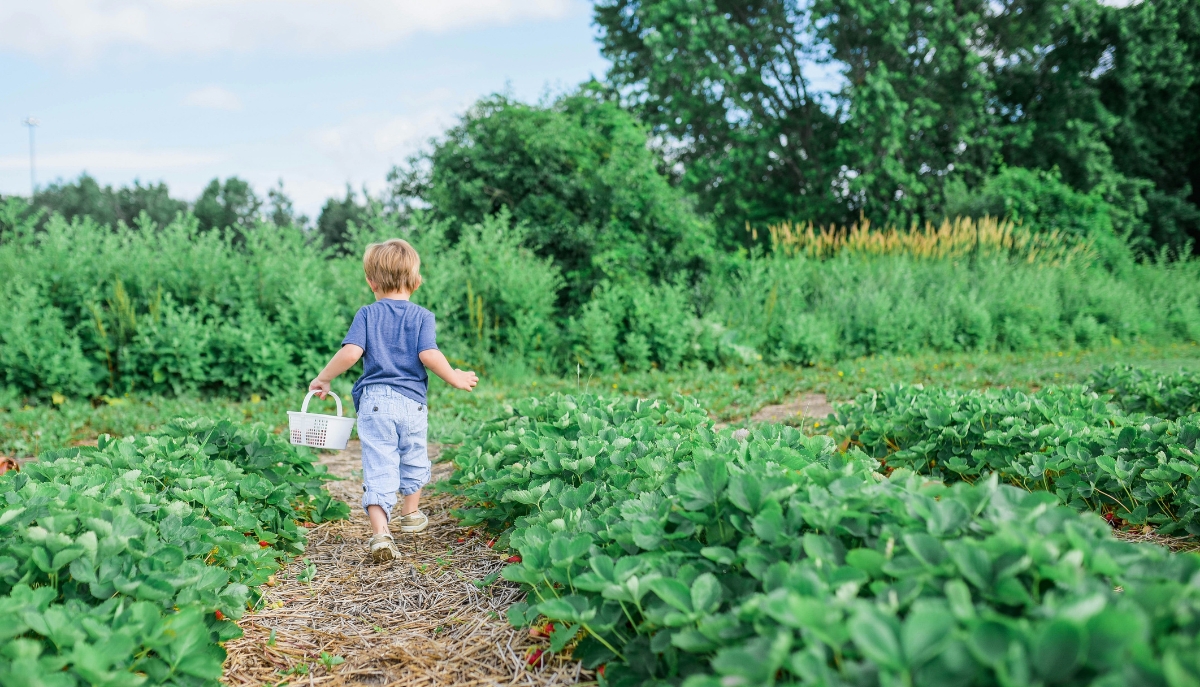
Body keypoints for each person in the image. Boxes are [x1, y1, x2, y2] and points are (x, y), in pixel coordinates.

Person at [309, 238, 478, 562]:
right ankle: (411, 512)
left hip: (375, 403)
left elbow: (351, 352)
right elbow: (428, 354)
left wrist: (325, 377)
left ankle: (380, 534)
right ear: (416, 281)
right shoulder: (422, 316)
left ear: (371, 281)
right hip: (412, 403)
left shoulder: (368, 314)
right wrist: (454, 377)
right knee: (414, 455)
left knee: (379, 464)